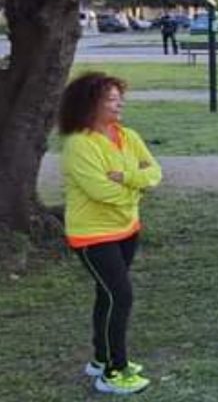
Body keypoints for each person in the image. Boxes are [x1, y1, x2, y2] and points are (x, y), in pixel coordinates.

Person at [59, 73, 160, 395]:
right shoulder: (79, 144)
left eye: (120, 98)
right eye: (112, 99)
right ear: (90, 105)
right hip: (92, 235)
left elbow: (154, 172)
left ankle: (101, 359)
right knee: (121, 295)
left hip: (127, 228)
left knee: (108, 294)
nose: (120, 104)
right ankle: (114, 372)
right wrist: (137, 190)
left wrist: (129, 177)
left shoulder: (128, 135)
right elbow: (100, 190)